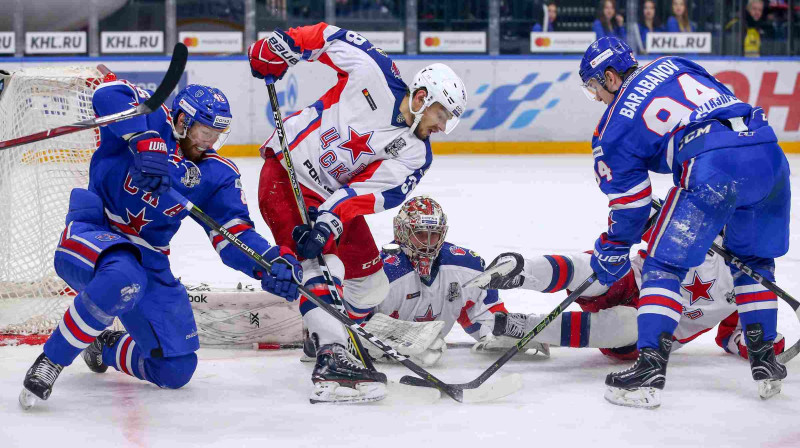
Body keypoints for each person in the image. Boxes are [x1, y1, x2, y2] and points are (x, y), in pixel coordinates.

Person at [19, 78, 303, 410]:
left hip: (149, 258)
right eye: (204, 132)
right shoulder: (151, 118)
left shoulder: (218, 173)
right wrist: (143, 140)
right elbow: (107, 93)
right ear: (183, 120)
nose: (209, 142)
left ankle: (103, 347)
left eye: (216, 135)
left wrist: (267, 261)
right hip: (92, 233)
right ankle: (52, 359)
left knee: (175, 368)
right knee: (123, 276)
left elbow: (233, 231)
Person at [248, 23, 467, 403]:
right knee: (318, 263)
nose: (443, 126)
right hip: (286, 173)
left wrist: (328, 221)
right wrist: (281, 46)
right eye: (442, 114)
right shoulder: (375, 72)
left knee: (371, 284)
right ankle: (332, 359)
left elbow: (364, 195)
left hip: (328, 197)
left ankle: (323, 333)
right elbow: (324, 36)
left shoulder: (415, 152)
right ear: (421, 96)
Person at [578, 36, 790, 408]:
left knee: (664, 264)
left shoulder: (610, 128)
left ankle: (649, 368)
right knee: (754, 262)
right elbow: (719, 101)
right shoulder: (674, 62)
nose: (596, 97)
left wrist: (610, 251)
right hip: (769, 154)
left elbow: (631, 210)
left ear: (610, 77)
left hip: (713, 166)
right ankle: (765, 359)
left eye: (594, 87)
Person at [476, 215, 786, 374]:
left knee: (629, 323)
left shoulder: (751, 285)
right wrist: (665, 220)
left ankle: (525, 328)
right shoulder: (697, 224)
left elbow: (729, 336)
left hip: (651, 334)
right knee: (599, 268)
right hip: (635, 281)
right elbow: (643, 230)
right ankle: (520, 270)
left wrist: (755, 343)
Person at [353, 196, 548, 367]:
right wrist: (399, 338)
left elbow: (482, 312)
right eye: (420, 234)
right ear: (402, 232)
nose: (427, 243)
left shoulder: (465, 265)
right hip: (386, 365)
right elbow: (352, 326)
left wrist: (502, 330)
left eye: (434, 234)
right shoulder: (380, 272)